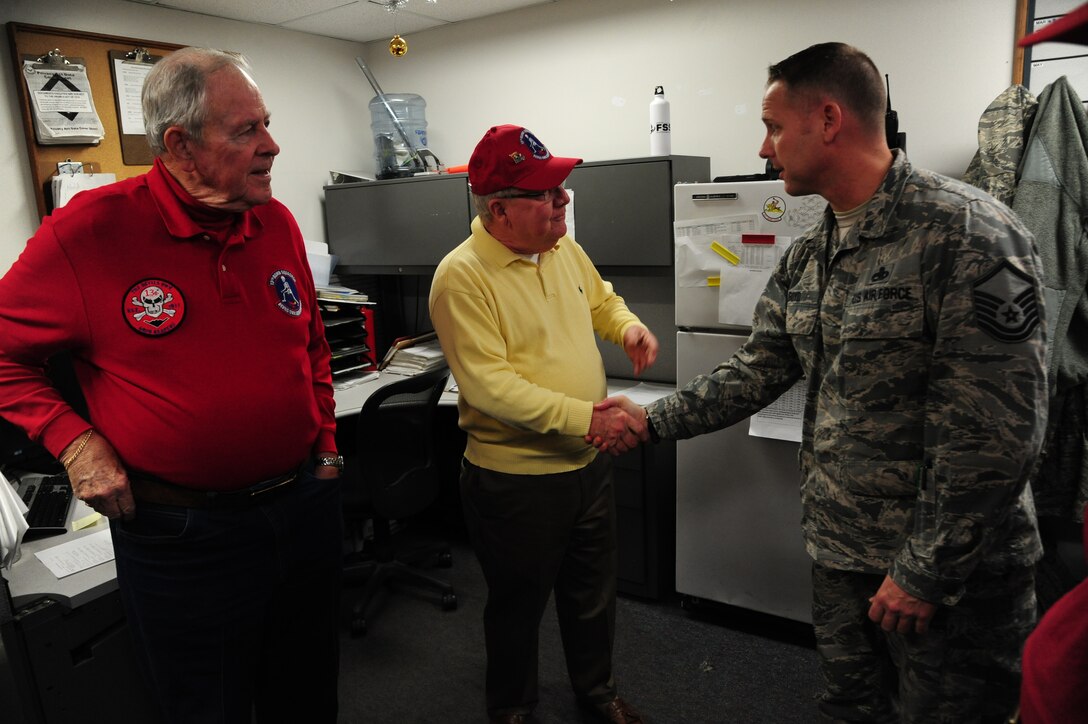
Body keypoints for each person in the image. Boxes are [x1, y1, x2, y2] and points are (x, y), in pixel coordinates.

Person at [594, 43, 1048, 722]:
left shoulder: (971, 234)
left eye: (775, 126)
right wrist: (650, 420)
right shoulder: (813, 250)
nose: (766, 147)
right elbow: (757, 369)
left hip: (949, 573)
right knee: (851, 708)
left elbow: (1000, 432)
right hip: (842, 553)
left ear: (829, 119)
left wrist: (925, 569)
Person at [0, 47, 343, 723]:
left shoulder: (275, 221)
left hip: (301, 509)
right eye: (246, 130)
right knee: (202, 706)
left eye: (266, 124)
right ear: (180, 145)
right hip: (185, 534)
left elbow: (310, 342)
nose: (272, 146)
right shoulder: (90, 232)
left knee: (306, 696)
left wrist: (327, 443)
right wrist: (74, 443)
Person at [429, 124, 656, 724]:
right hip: (516, 480)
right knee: (517, 606)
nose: (564, 201)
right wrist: (588, 418)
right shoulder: (462, 275)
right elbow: (490, 387)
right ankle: (511, 708)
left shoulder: (561, 249)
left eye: (562, 188)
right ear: (499, 208)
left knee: (592, 597)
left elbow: (601, 299)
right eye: (547, 193)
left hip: (586, 466)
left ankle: (597, 692)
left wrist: (627, 325)